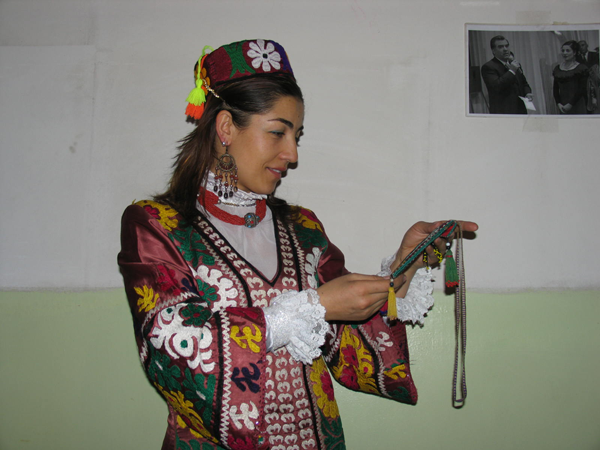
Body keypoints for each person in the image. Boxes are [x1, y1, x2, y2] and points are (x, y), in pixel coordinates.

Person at [118, 39, 478, 450]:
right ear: (226, 128)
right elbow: (170, 343)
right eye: (278, 132)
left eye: (297, 136)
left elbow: (350, 339)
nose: (291, 154)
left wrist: (405, 263)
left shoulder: (303, 228)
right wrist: (310, 308)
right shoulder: (157, 225)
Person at [481, 35, 533, 114]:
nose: (505, 49)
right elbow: (497, 86)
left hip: (520, 110)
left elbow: (524, 83)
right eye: (501, 47)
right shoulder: (488, 67)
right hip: (503, 111)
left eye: (507, 46)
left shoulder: (514, 64)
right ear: (493, 51)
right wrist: (512, 71)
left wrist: (527, 93)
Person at [553, 40, 589, 115]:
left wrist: (570, 104)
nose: (564, 53)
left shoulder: (581, 68)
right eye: (563, 51)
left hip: (577, 104)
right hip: (563, 106)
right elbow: (555, 89)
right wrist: (558, 103)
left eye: (567, 50)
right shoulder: (557, 69)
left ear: (574, 52)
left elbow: (582, 89)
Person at [576, 40, 599, 113]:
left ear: (587, 45)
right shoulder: (576, 59)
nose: (581, 47)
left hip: (596, 83)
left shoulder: (595, 55)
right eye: (579, 46)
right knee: (588, 105)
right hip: (584, 85)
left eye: (583, 45)